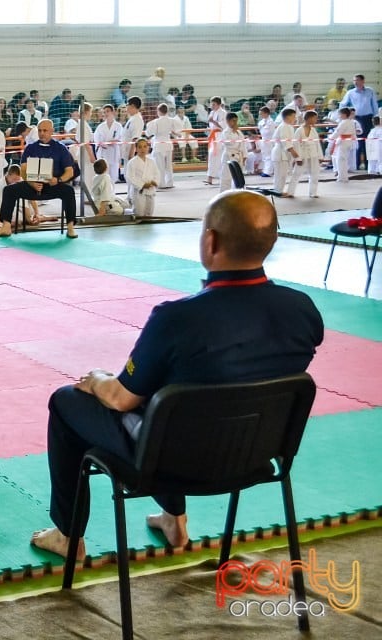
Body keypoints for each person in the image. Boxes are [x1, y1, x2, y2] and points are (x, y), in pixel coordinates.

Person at [32, 191, 324, 560]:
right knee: (176, 398)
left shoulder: (176, 319)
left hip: (171, 463)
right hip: (258, 456)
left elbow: (123, 398)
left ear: (211, 240)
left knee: (67, 401)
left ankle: (68, 534)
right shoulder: (303, 310)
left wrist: (97, 379)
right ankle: (173, 519)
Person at [0, 119, 78, 239]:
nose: (42, 133)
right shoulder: (31, 148)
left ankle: (70, 227)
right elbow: (23, 169)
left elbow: (70, 172)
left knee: (69, 191)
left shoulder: (61, 148)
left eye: (45, 130)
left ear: (52, 131)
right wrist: (31, 182)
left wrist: (58, 180)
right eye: (40, 130)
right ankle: (6, 226)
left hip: (52, 185)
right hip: (32, 185)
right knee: (9, 190)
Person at [339, 75, 378, 170]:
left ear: (363, 81)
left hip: (368, 119)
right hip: (356, 119)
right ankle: (355, 165)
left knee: (368, 142)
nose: (355, 82)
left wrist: (376, 118)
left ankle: (368, 165)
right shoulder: (350, 93)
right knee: (356, 142)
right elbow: (343, 104)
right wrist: (344, 116)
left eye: (357, 80)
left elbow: (374, 105)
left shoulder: (370, 91)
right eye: (354, 81)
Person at [145, 103, 180, 189]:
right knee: (168, 165)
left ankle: (161, 183)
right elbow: (177, 130)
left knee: (159, 165)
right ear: (167, 111)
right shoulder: (172, 120)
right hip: (168, 143)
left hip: (159, 144)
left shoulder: (155, 122)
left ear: (158, 111)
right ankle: (170, 182)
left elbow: (148, 133)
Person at [125, 138, 160, 216]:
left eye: (145, 146)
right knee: (139, 213)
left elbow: (157, 174)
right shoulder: (132, 162)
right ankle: (126, 213)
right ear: (136, 149)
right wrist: (142, 185)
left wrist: (155, 182)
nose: (142, 149)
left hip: (150, 190)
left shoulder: (152, 161)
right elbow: (130, 177)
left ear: (148, 147)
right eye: (140, 147)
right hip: (138, 192)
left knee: (149, 213)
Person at [272, 108, 301, 196]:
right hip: (281, 153)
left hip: (283, 153)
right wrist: (293, 151)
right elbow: (285, 141)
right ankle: (278, 191)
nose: (295, 118)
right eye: (293, 116)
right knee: (280, 175)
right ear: (288, 117)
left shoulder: (288, 126)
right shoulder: (284, 126)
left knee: (282, 174)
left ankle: (278, 190)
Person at [295, 110, 323, 198]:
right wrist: (298, 158)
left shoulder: (314, 130)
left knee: (315, 174)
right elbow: (296, 145)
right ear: (309, 118)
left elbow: (317, 144)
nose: (316, 120)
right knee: (296, 173)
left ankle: (313, 192)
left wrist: (320, 156)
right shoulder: (299, 130)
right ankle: (290, 192)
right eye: (315, 118)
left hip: (314, 154)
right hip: (303, 154)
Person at [218, 112, 247, 193]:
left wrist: (244, 156)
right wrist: (233, 130)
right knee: (226, 177)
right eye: (233, 121)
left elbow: (243, 144)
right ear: (227, 121)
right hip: (229, 155)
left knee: (238, 178)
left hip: (239, 156)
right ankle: (223, 195)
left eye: (236, 121)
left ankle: (236, 193)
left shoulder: (239, 132)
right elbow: (230, 144)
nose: (235, 123)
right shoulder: (225, 132)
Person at [93, 105, 122, 183]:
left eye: (108, 111)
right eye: (104, 112)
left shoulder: (118, 126)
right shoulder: (100, 127)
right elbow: (96, 139)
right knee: (103, 176)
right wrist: (101, 144)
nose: (106, 113)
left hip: (114, 152)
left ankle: (112, 193)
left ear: (113, 112)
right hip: (104, 153)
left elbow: (121, 138)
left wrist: (115, 141)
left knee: (113, 176)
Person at [329, 108, 357, 183]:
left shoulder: (343, 122)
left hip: (343, 142)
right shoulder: (351, 122)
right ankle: (343, 177)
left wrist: (330, 138)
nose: (339, 116)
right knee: (344, 160)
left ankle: (342, 178)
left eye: (340, 114)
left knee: (340, 160)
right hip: (348, 142)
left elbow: (337, 132)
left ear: (344, 114)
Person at [205, 97, 226, 186]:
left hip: (220, 136)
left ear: (219, 104)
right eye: (211, 104)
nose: (212, 106)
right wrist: (209, 134)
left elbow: (223, 127)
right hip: (213, 136)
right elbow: (211, 126)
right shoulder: (212, 113)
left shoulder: (224, 113)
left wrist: (213, 121)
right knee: (212, 156)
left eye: (214, 104)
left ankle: (219, 177)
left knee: (218, 157)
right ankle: (210, 178)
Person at [121, 96, 144, 169]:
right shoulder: (132, 119)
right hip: (126, 152)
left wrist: (131, 156)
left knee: (130, 176)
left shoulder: (137, 120)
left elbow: (135, 139)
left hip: (130, 154)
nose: (126, 108)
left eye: (127, 105)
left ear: (132, 106)